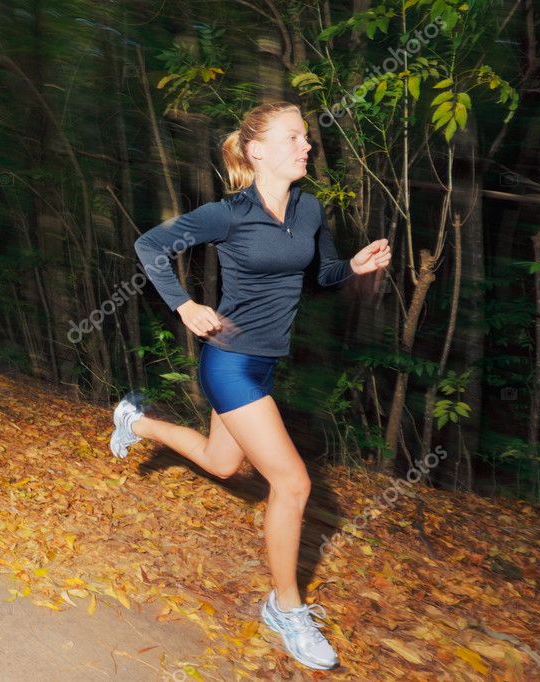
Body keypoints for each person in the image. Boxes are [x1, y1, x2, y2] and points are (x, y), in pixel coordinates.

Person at [109, 101, 390, 670]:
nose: (306, 146)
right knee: (293, 484)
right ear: (257, 150)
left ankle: (135, 421)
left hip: (265, 362)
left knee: (221, 463)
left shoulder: (309, 209)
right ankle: (285, 608)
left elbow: (319, 274)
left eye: (306, 138)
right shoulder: (229, 213)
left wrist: (353, 267)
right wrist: (185, 305)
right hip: (229, 362)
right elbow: (148, 246)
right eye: (294, 137)